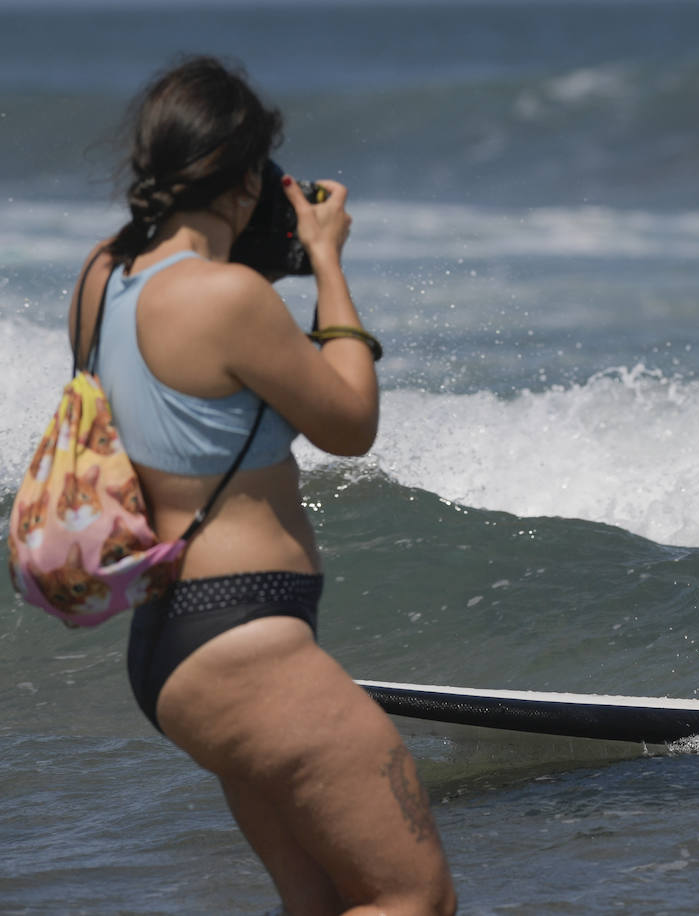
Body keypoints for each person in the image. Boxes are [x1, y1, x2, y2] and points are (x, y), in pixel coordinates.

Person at [69, 55, 456, 915]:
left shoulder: (102, 277)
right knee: (410, 899)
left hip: (169, 643)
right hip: (248, 643)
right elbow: (350, 425)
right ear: (248, 173)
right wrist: (325, 259)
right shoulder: (228, 297)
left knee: (316, 903)